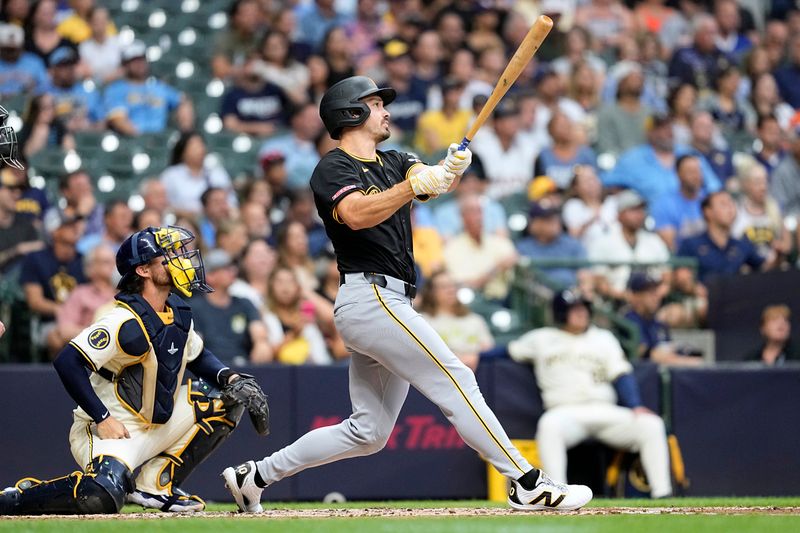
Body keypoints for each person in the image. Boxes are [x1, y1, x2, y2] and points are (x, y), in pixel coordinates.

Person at [222, 76, 592, 513]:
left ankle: (256, 475)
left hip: (389, 302)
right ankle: (525, 481)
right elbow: (356, 213)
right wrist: (417, 186)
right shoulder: (333, 167)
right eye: (377, 104)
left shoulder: (396, 158)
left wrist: (446, 171)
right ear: (351, 113)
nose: (387, 112)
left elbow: (425, 180)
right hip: (369, 296)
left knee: (369, 432)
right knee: (456, 378)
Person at [0, 225, 269, 515]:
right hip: (114, 428)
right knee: (100, 495)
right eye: (167, 257)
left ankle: (156, 486)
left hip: (159, 423)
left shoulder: (176, 311)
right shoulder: (122, 319)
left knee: (230, 395)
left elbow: (199, 357)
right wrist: (101, 417)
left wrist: (231, 377)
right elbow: (68, 362)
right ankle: (19, 497)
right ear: (142, 270)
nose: (180, 261)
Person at [509, 290, 673, 499]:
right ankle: (558, 496)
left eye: (584, 308)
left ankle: (663, 495)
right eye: (574, 309)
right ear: (561, 313)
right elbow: (508, 350)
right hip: (565, 412)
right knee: (548, 426)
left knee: (651, 424)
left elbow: (621, 374)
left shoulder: (603, 338)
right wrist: (475, 355)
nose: (581, 313)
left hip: (604, 409)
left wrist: (635, 405)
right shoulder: (541, 338)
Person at [190, 249, 272, 366]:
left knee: (264, 347)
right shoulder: (195, 307)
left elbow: (259, 332)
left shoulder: (244, 303)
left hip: (243, 366)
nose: (232, 271)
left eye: (232, 267)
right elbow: (195, 344)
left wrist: (261, 343)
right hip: (211, 368)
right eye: (225, 268)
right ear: (209, 276)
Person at [20, 210, 87, 355]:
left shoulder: (84, 260)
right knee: (56, 337)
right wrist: (61, 311)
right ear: (53, 231)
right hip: (50, 322)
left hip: (83, 321)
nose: (75, 228)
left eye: (75, 224)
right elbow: (35, 301)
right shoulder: (36, 259)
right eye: (68, 225)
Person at [588, 190, 670, 301]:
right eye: (633, 210)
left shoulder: (654, 240)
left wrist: (654, 297)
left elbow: (667, 276)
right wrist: (631, 298)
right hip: (615, 303)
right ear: (619, 214)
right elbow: (598, 280)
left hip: (652, 302)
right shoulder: (604, 241)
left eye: (641, 210)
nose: (639, 215)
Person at [677, 191, 770, 284]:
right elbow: (679, 274)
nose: (730, 208)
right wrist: (695, 289)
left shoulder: (742, 245)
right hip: (702, 296)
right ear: (708, 211)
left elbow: (764, 268)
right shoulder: (691, 244)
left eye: (731, 203)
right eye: (723, 204)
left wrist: (779, 255)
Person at [103, 40, 194, 136]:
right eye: (134, 60)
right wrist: (142, 140)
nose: (139, 64)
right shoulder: (116, 89)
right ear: (126, 64)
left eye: (142, 59)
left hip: (161, 139)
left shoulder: (158, 87)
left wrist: (185, 129)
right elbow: (118, 119)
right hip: (132, 140)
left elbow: (183, 101)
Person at [443, 194, 518, 302]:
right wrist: (496, 268)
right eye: (472, 212)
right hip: (472, 303)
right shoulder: (452, 248)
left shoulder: (500, 243)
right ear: (462, 217)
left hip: (504, 300)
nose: (478, 217)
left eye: (480, 211)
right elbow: (463, 285)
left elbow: (515, 264)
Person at [419, 270, 494, 371]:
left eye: (453, 285)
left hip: (477, 371)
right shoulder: (423, 321)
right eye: (444, 287)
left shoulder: (475, 319)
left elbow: (488, 348)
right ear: (431, 292)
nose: (451, 290)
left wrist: (473, 356)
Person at [623, 272, 702, 367]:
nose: (656, 296)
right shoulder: (629, 321)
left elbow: (669, 350)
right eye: (649, 292)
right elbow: (647, 354)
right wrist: (687, 362)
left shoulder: (659, 324)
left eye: (656, 291)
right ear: (635, 296)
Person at [262, 265, 331, 365]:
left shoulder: (307, 312)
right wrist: (293, 334)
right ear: (271, 286)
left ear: (298, 286)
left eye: (290, 281)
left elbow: (331, 319)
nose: (285, 287)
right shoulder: (266, 316)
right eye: (279, 282)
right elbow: (266, 357)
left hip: (314, 369)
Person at [53, 243, 116, 347]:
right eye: (107, 262)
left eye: (115, 261)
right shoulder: (80, 294)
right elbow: (65, 330)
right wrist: (101, 334)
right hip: (91, 351)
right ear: (91, 267)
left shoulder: (126, 293)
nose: (114, 266)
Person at [160, 132, 234, 216]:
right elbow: (165, 206)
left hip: (217, 222)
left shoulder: (217, 173)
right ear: (183, 151)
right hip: (182, 223)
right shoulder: (170, 176)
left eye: (201, 145)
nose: (200, 150)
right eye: (194, 147)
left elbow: (232, 202)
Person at [517, 201, 586, 290]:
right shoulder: (522, 248)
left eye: (555, 218)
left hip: (570, 295)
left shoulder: (572, 244)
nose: (554, 222)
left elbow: (584, 273)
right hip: (537, 297)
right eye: (547, 219)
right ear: (533, 224)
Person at [651, 154, 706, 252]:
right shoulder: (664, 203)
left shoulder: (709, 200)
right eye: (690, 172)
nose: (696, 176)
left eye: (698, 171)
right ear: (678, 174)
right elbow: (671, 245)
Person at [0, 166, 42, 273]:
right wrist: (15, 251)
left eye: (19, 190)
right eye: (11, 189)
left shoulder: (25, 224)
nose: (17, 194)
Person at [0, 22, 48, 97]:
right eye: (7, 49)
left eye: (13, 50)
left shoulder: (34, 62)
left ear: (22, 47)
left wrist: (31, 93)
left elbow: (44, 87)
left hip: (28, 105)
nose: (10, 53)